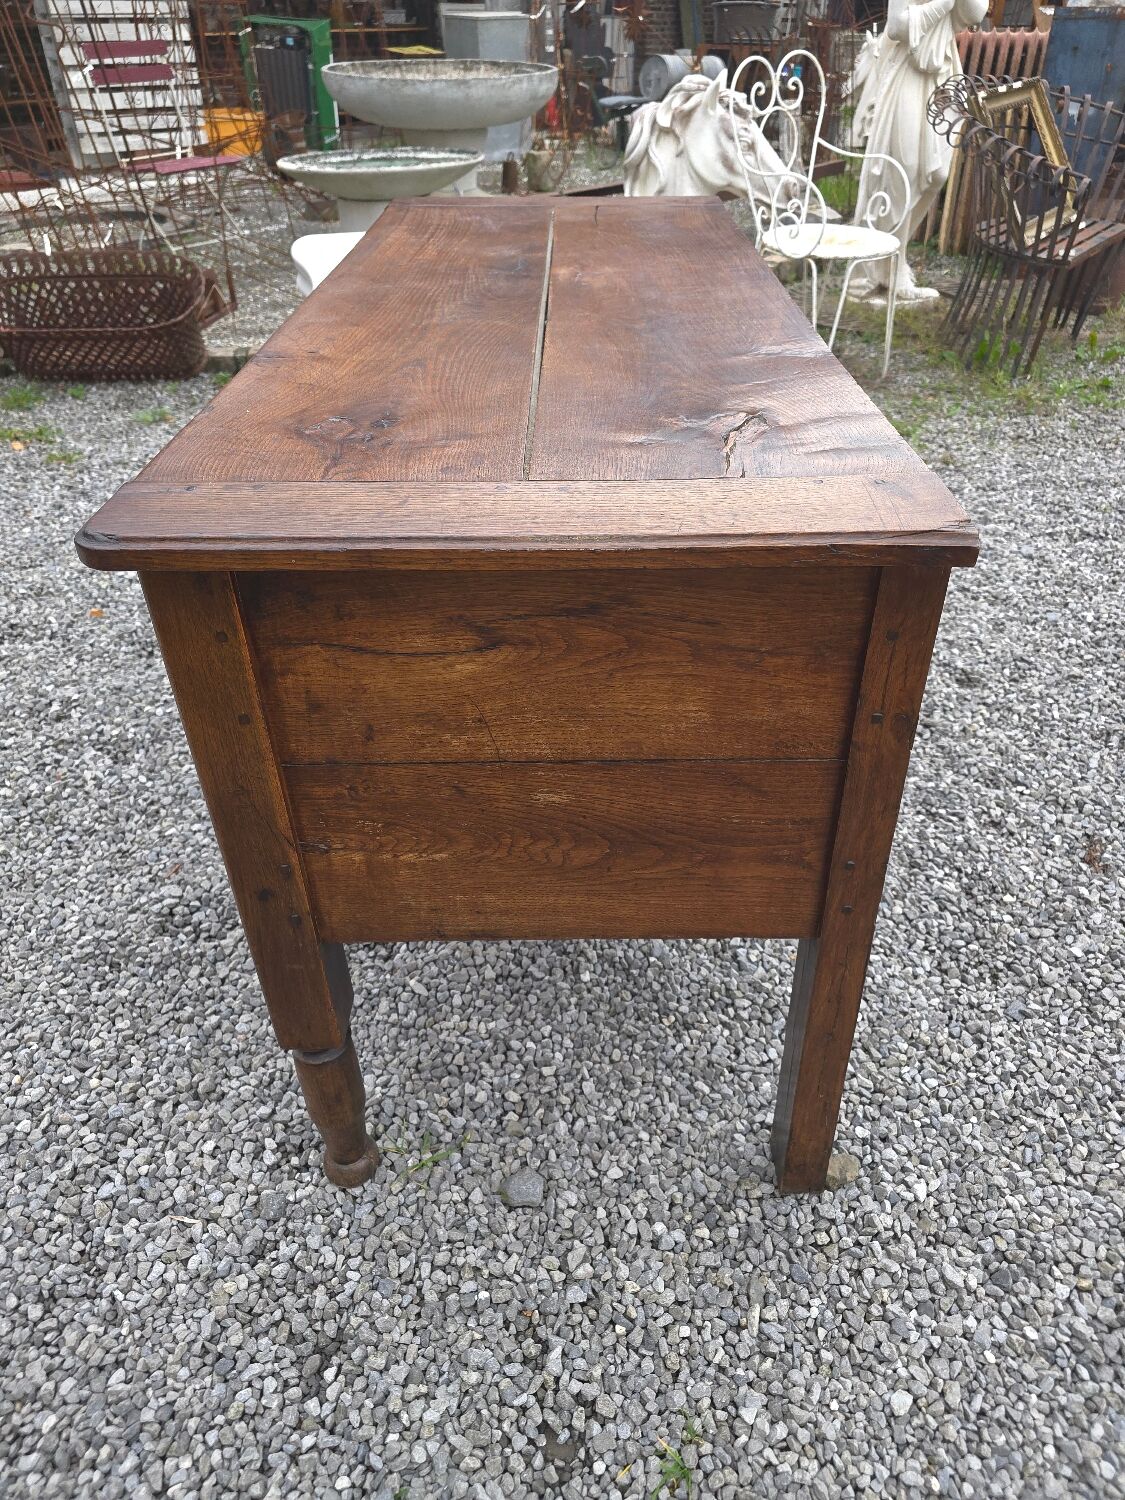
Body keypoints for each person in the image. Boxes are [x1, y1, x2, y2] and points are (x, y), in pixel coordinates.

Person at [850, 0, 988, 299]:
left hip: (941, 72)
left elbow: (974, 14)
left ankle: (890, 262)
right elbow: (898, 25)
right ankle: (876, 267)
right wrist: (942, 4)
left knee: (937, 174)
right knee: (904, 171)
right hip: (906, 72)